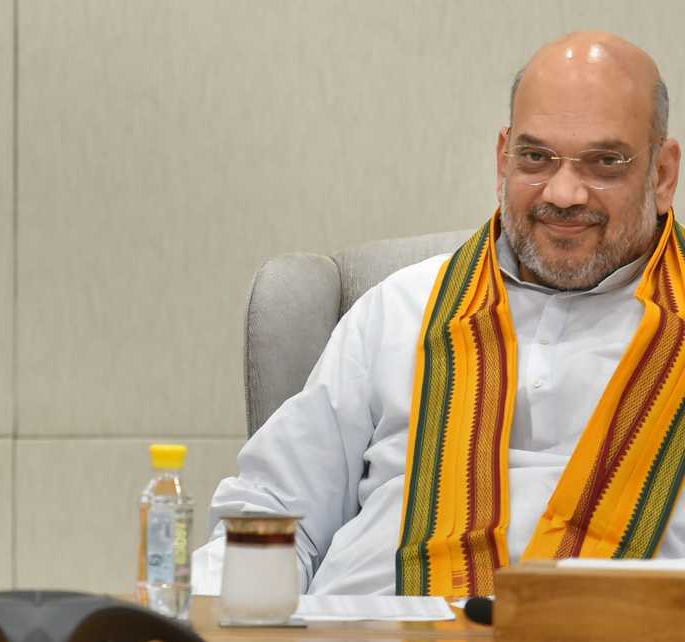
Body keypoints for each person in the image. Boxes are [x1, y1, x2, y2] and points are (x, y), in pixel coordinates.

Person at [194, 31, 685, 597]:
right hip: (366, 640)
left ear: (662, 175)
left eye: (604, 162)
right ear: (502, 159)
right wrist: (212, 627)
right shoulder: (398, 310)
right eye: (536, 157)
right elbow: (272, 512)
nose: (564, 192)